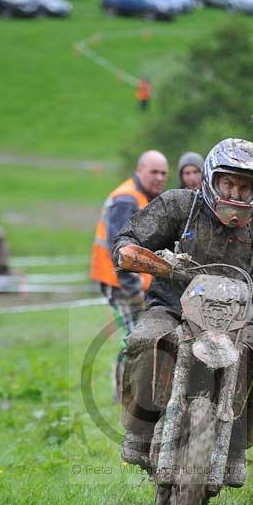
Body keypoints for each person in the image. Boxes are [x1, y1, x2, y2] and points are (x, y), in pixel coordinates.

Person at [113, 138, 253, 488]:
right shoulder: (179, 205)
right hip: (172, 306)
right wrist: (130, 250)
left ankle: (234, 447)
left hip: (234, 320)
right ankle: (140, 430)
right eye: (229, 183)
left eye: (245, 186)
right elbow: (130, 234)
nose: (235, 192)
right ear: (212, 179)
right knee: (145, 341)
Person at [90, 150, 168, 399]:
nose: (159, 178)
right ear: (139, 170)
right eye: (153, 172)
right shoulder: (127, 199)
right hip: (120, 282)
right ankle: (125, 392)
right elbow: (120, 251)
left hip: (132, 282)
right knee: (139, 337)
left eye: (163, 173)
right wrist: (132, 289)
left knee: (138, 335)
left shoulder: (145, 197)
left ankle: (129, 391)